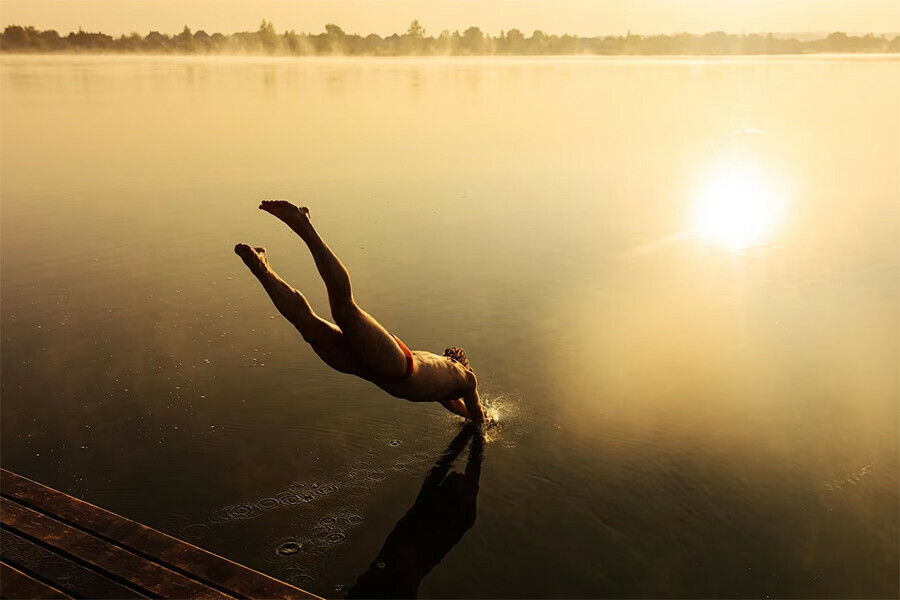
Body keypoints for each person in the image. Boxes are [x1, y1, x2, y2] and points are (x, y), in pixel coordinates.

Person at [235, 201, 486, 423]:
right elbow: (477, 414)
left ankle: (262, 268)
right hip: (395, 367)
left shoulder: (444, 387)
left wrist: (468, 416)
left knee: (309, 328)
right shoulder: (467, 380)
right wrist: (488, 427)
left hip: (370, 369)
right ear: (462, 364)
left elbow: (458, 408)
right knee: (344, 310)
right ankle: (304, 225)